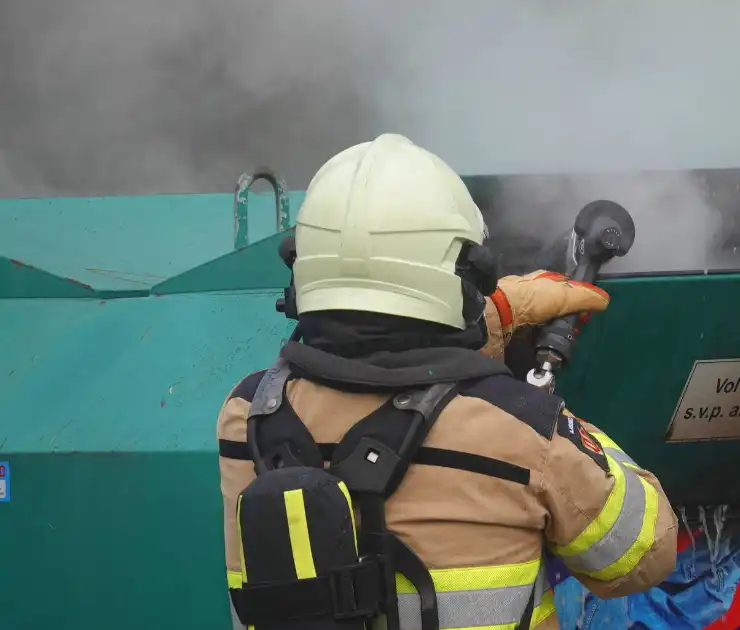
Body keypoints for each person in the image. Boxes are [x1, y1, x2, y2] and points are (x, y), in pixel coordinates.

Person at [215, 133, 678, 630]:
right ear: (461, 274)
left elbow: (348, 360)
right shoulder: (521, 433)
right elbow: (643, 555)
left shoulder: (247, 416)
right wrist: (555, 423)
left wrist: (489, 324)